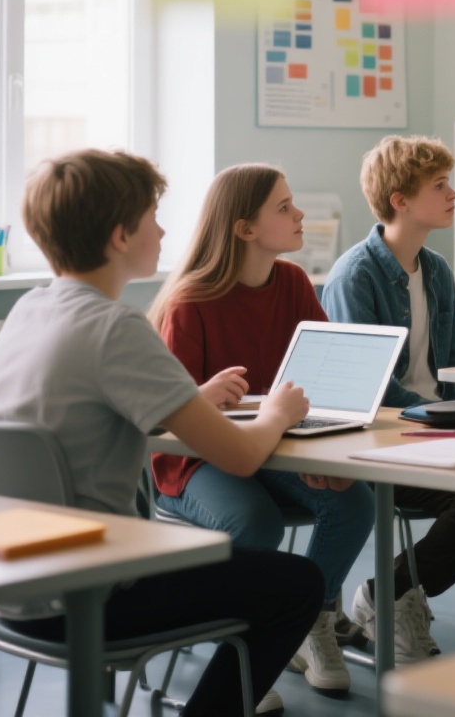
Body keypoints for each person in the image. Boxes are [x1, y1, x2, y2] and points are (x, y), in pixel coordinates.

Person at [0, 150, 320, 717]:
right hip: (90, 593)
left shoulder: (31, 309)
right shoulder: (117, 326)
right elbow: (240, 457)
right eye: (153, 216)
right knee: (299, 584)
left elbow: (95, 409)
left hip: (8, 588)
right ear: (120, 236)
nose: (162, 230)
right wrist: (276, 412)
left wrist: (190, 401)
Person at [148, 164, 375, 699]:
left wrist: (324, 459)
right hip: (196, 459)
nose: (300, 216)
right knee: (254, 520)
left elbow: (320, 378)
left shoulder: (294, 282)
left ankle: (309, 623)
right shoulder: (189, 301)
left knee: (354, 502)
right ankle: (243, 653)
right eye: (284, 207)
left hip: (276, 445)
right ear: (245, 228)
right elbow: (167, 420)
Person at [321, 135, 455, 663]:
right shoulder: (356, 275)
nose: (453, 194)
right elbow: (366, 388)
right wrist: (437, 419)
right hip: (383, 436)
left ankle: (391, 593)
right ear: (400, 199)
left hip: (434, 429)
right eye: (439, 186)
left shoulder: (436, 269)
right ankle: (395, 597)